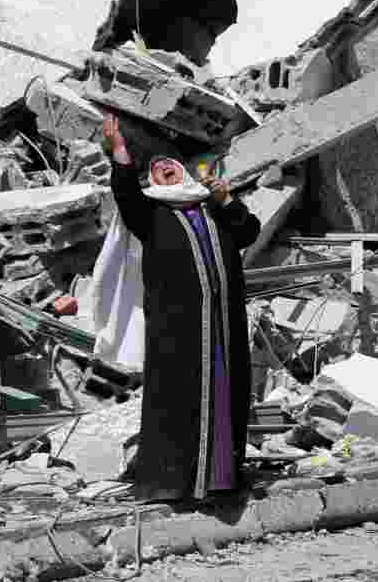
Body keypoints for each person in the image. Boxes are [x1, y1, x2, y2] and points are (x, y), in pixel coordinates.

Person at [101, 113, 261, 503]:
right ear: (152, 181)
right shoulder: (152, 214)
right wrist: (120, 152)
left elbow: (249, 232)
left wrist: (226, 199)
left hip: (223, 327)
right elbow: (125, 194)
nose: (165, 171)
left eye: (170, 166)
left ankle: (221, 480)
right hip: (180, 332)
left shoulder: (213, 207)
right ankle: (177, 484)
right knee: (180, 405)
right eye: (157, 170)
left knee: (224, 397)